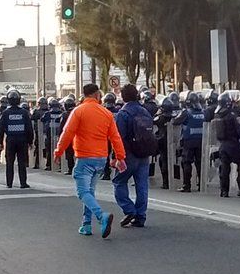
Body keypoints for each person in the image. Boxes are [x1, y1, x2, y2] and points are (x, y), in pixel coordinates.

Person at [54, 84, 127, 238]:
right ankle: (86, 224)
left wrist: (58, 151)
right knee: (90, 191)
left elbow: (67, 133)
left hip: (84, 157)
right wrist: (120, 157)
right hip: (101, 158)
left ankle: (101, 216)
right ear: (96, 95)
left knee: (82, 192)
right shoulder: (106, 113)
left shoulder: (78, 111)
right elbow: (115, 137)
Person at [113, 84, 155, 227]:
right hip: (143, 153)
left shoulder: (123, 114)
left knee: (119, 181)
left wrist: (117, 157)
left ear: (123, 97)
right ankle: (141, 216)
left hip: (128, 154)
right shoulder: (145, 112)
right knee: (142, 185)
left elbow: (119, 137)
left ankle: (129, 209)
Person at [171, 91, 206, 192]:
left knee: (186, 162)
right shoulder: (203, 112)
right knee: (199, 163)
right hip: (201, 141)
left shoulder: (186, 112)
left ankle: (187, 185)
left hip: (189, 140)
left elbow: (175, 122)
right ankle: (201, 185)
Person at [0, 90, 33, 189]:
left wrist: (0, 142)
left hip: (11, 140)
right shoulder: (24, 113)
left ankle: (9, 183)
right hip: (22, 141)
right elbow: (29, 128)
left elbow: (0, 129)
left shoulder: (5, 113)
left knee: (10, 162)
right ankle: (23, 183)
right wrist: (30, 141)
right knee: (22, 162)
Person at [153, 92, 179, 189]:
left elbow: (153, 120)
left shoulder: (160, 117)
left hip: (162, 140)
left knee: (163, 160)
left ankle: (166, 182)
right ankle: (172, 180)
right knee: (171, 160)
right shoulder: (174, 116)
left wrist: (158, 113)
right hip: (173, 140)